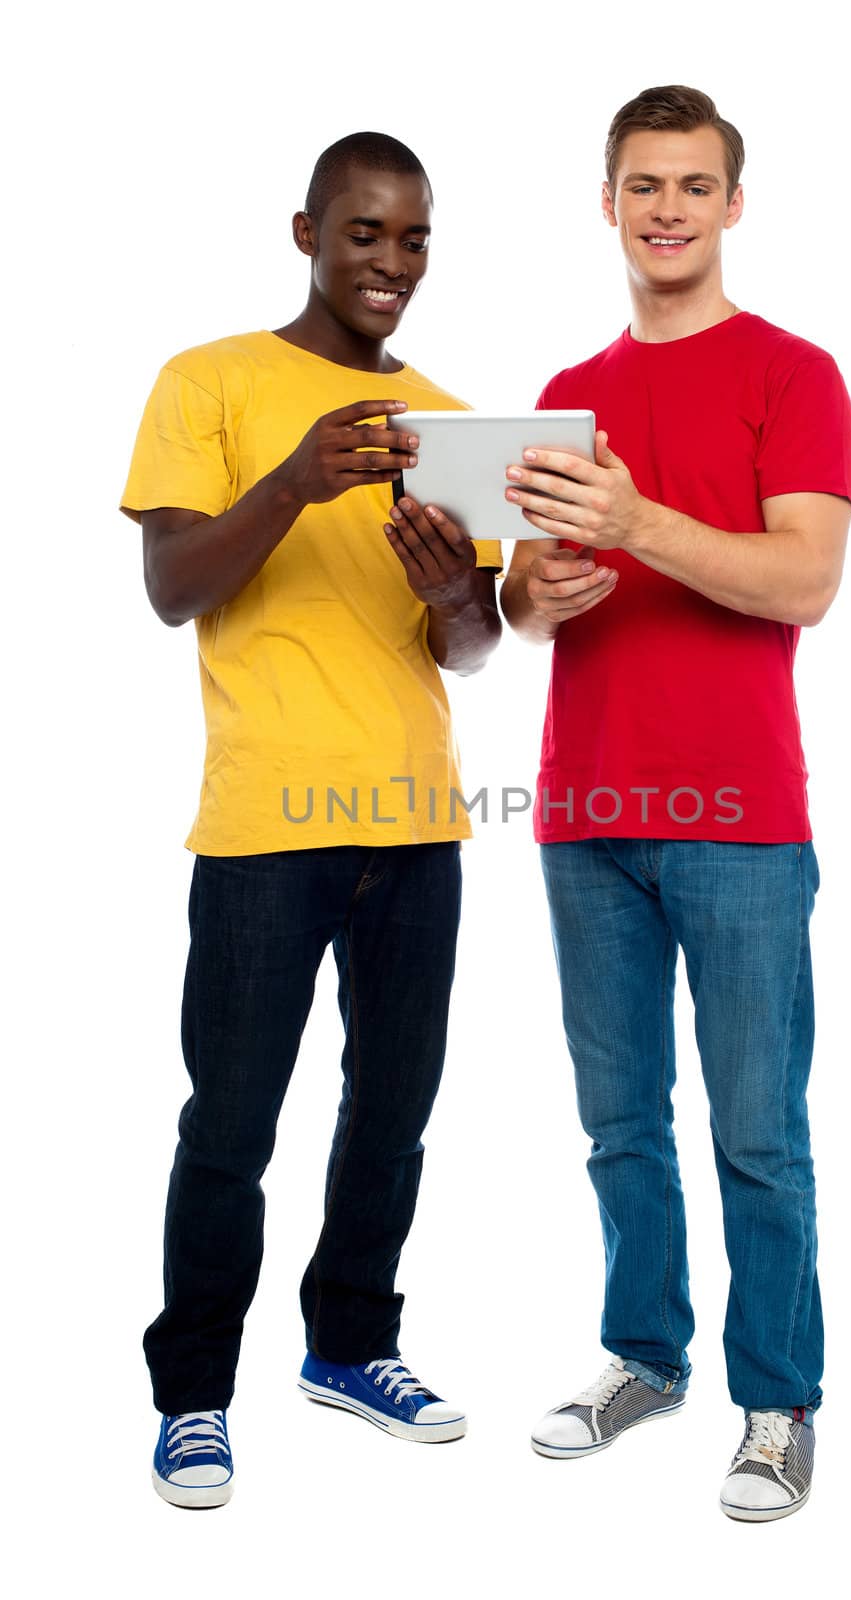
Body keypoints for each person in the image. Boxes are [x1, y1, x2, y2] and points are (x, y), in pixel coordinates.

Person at [120, 132, 502, 1509]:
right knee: (230, 1122)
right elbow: (172, 587)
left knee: (389, 1115)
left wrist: (458, 587)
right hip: (265, 826)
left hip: (415, 820)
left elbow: (466, 646)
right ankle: (195, 1397)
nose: (390, 264)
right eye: (363, 234)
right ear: (306, 233)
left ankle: (350, 1350)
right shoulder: (209, 380)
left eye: (412, 240)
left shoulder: (453, 423)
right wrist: (290, 482)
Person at [500, 85, 851, 1522]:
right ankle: (644, 1357)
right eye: (641, 185)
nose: (665, 209)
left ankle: (775, 1401)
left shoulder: (793, 375)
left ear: (730, 205)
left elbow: (804, 583)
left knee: (758, 1130)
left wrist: (637, 522)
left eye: (692, 186)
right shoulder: (564, 397)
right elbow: (520, 608)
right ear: (606, 203)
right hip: (586, 814)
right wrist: (540, 587)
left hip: (742, 820)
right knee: (617, 1121)